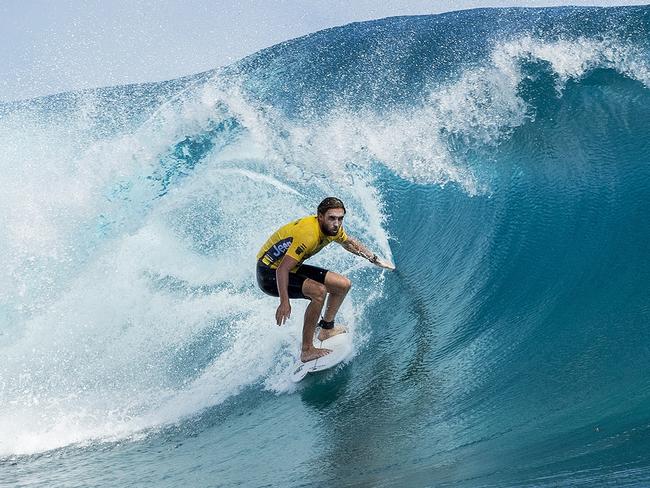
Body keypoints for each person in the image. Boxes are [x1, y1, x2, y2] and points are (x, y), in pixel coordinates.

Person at [256, 197, 394, 362]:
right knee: (319, 292)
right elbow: (282, 269)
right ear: (320, 216)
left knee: (342, 285)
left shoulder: (332, 230)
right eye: (332, 218)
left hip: (291, 267)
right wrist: (284, 302)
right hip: (268, 273)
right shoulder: (308, 234)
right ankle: (307, 350)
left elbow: (349, 243)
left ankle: (326, 329)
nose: (336, 223)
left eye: (340, 218)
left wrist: (373, 258)